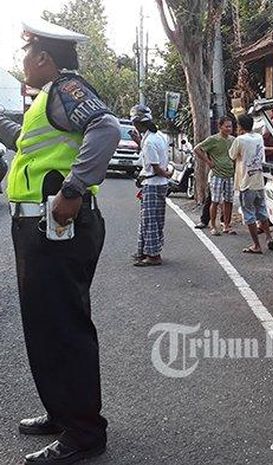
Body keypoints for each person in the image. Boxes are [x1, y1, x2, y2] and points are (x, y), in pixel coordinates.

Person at [0, 18, 120, 464]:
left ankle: (84, 432)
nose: (23, 63)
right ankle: (63, 412)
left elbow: (105, 127)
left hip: (58, 227)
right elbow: (27, 142)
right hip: (39, 230)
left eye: (27, 55)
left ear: (44, 58)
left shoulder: (67, 88)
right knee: (45, 327)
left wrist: (73, 189)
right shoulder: (46, 101)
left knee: (63, 329)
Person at [130, 104, 171, 266]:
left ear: (137, 123)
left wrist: (166, 173)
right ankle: (145, 251)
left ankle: (153, 255)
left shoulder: (149, 142)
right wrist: (139, 142)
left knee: (150, 220)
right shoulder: (158, 136)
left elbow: (156, 167)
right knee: (152, 219)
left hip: (153, 183)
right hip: (158, 183)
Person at [230, 114, 273, 254]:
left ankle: (256, 245)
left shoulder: (239, 139)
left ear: (240, 126)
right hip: (258, 179)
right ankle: (268, 238)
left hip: (246, 181)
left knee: (248, 213)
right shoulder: (258, 137)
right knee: (261, 211)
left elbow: (232, 155)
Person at [194, 116, 236, 235]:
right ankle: (213, 226)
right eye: (227, 126)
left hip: (230, 174)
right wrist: (208, 162)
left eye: (230, 126)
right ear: (220, 127)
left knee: (229, 201)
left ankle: (226, 225)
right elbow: (197, 149)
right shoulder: (213, 139)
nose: (229, 129)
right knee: (215, 201)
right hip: (217, 174)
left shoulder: (233, 140)